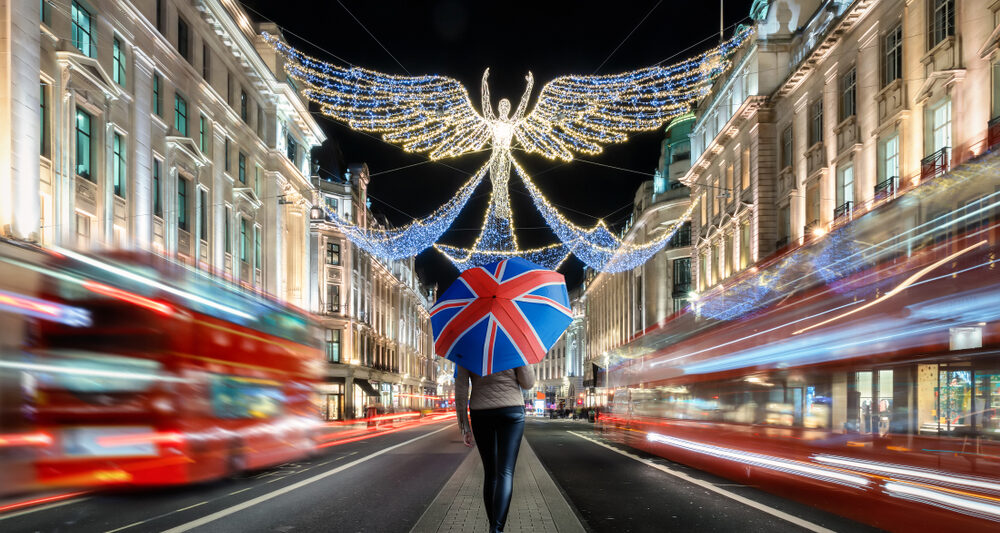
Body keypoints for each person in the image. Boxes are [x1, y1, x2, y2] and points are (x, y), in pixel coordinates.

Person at [455, 364, 536, 533]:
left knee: (490, 473)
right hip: (511, 408)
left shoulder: (466, 342)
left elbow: (461, 388)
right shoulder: (514, 341)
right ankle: (496, 529)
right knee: (505, 473)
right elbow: (527, 383)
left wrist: (464, 426)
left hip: (481, 411)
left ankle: (494, 527)